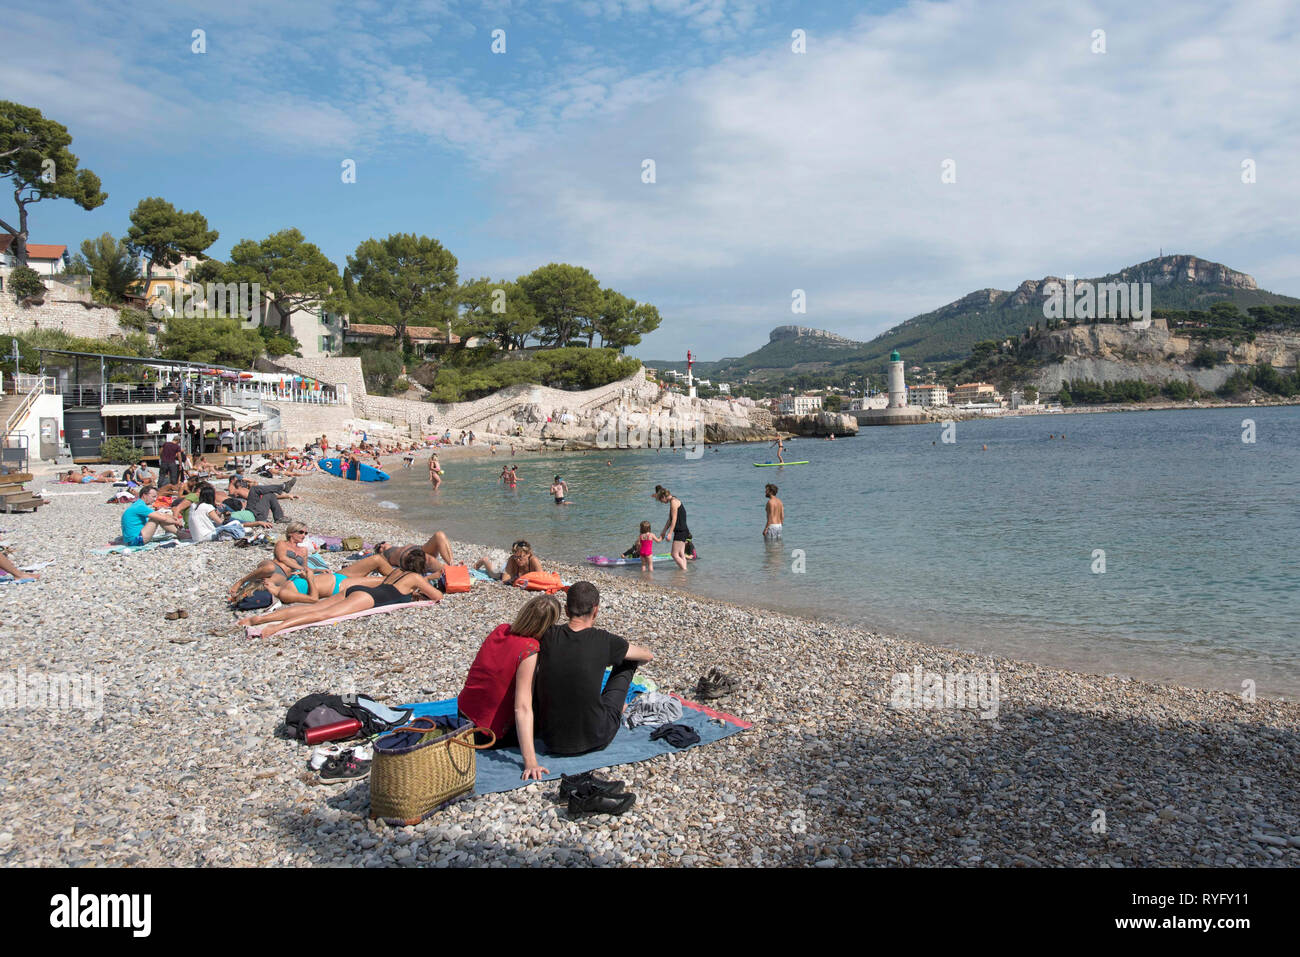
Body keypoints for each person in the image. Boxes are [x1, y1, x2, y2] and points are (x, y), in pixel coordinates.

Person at [534, 582, 654, 756]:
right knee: (628, 661)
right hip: (596, 737)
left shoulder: (548, 635)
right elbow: (646, 656)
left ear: (567, 610)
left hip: (550, 738)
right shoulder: (604, 640)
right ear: (595, 610)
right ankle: (617, 707)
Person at [458, 594, 563, 780]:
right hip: (486, 733)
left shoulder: (501, 629)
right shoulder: (529, 649)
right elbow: (521, 708)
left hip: (463, 714)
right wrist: (530, 761)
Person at [243, 550, 443, 637]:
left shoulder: (398, 571)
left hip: (359, 591)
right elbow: (437, 596)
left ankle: (261, 618)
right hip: (368, 598)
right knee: (323, 615)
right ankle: (275, 628)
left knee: (315, 606)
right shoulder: (416, 579)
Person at [655, 485, 692, 571]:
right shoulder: (674, 499)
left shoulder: (673, 502)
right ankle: (684, 573)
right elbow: (670, 519)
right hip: (684, 530)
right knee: (681, 554)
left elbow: (674, 519)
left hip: (680, 531)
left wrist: (670, 533)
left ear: (663, 497)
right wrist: (664, 531)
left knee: (674, 554)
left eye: (660, 500)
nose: (661, 502)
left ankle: (684, 571)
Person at [474, 540, 542, 585]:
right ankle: (484, 561)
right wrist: (510, 581)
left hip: (514, 573)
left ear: (528, 554)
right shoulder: (512, 559)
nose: (517, 560)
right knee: (493, 575)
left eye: (520, 557)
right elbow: (504, 580)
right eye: (516, 557)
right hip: (508, 568)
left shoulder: (533, 561)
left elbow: (542, 578)